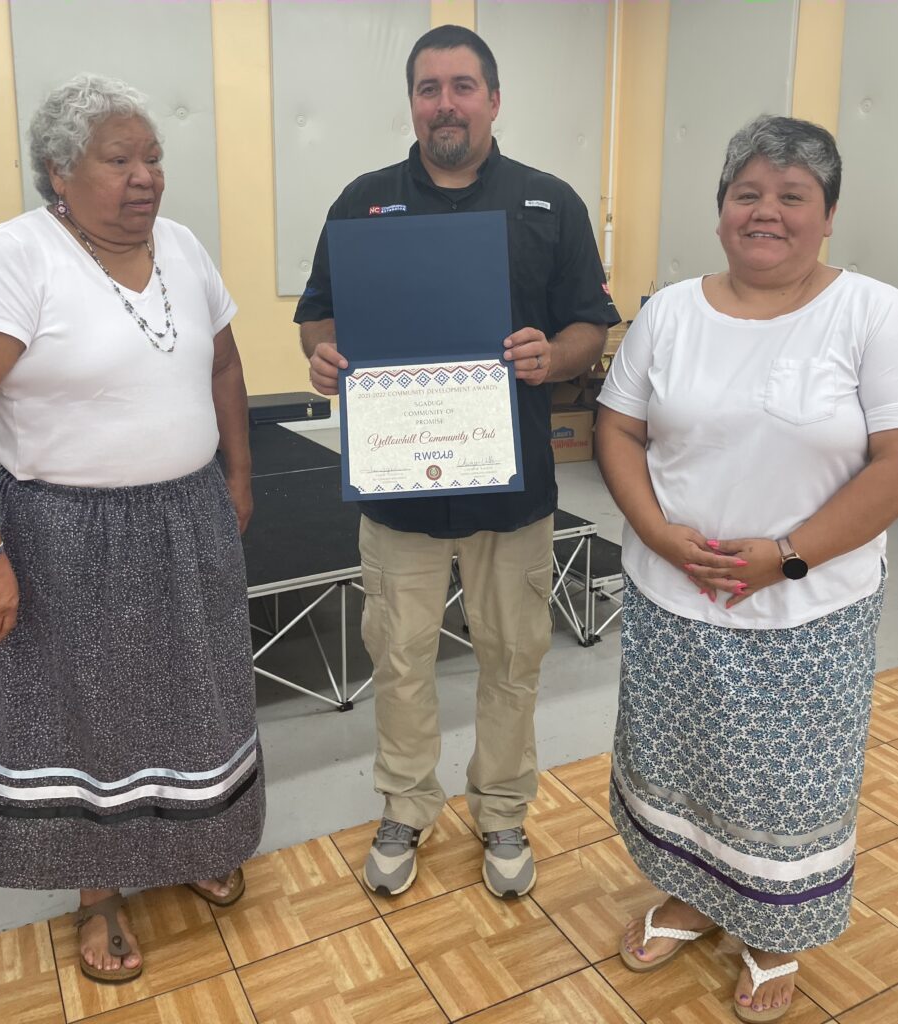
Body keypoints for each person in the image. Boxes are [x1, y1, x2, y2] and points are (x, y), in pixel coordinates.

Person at [297, 25, 619, 900]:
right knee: (398, 657)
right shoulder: (360, 203)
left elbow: (590, 319)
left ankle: (503, 809)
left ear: (493, 98)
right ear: (411, 102)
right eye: (429, 87)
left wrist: (556, 356)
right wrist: (322, 358)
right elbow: (317, 317)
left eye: (463, 86)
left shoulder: (549, 203)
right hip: (400, 490)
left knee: (513, 658)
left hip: (512, 491)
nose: (446, 103)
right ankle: (406, 804)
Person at [595, 114, 898, 1022]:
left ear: (827, 214)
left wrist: (788, 556)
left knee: (781, 782)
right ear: (721, 209)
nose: (765, 212)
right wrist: (651, 530)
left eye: (791, 196)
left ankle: (772, 935)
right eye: (746, 194)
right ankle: (695, 898)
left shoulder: (870, 312)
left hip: (808, 615)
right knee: (684, 763)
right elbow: (617, 426)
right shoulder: (670, 311)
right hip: (672, 602)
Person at [0, 74, 264, 983]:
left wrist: (238, 475)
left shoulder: (181, 247)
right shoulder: (16, 258)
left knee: (197, 695)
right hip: (62, 534)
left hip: (186, 517)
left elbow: (225, 364)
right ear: (60, 172)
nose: (145, 176)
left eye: (152, 157)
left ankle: (192, 848)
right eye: (119, 159)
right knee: (89, 717)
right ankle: (96, 891)